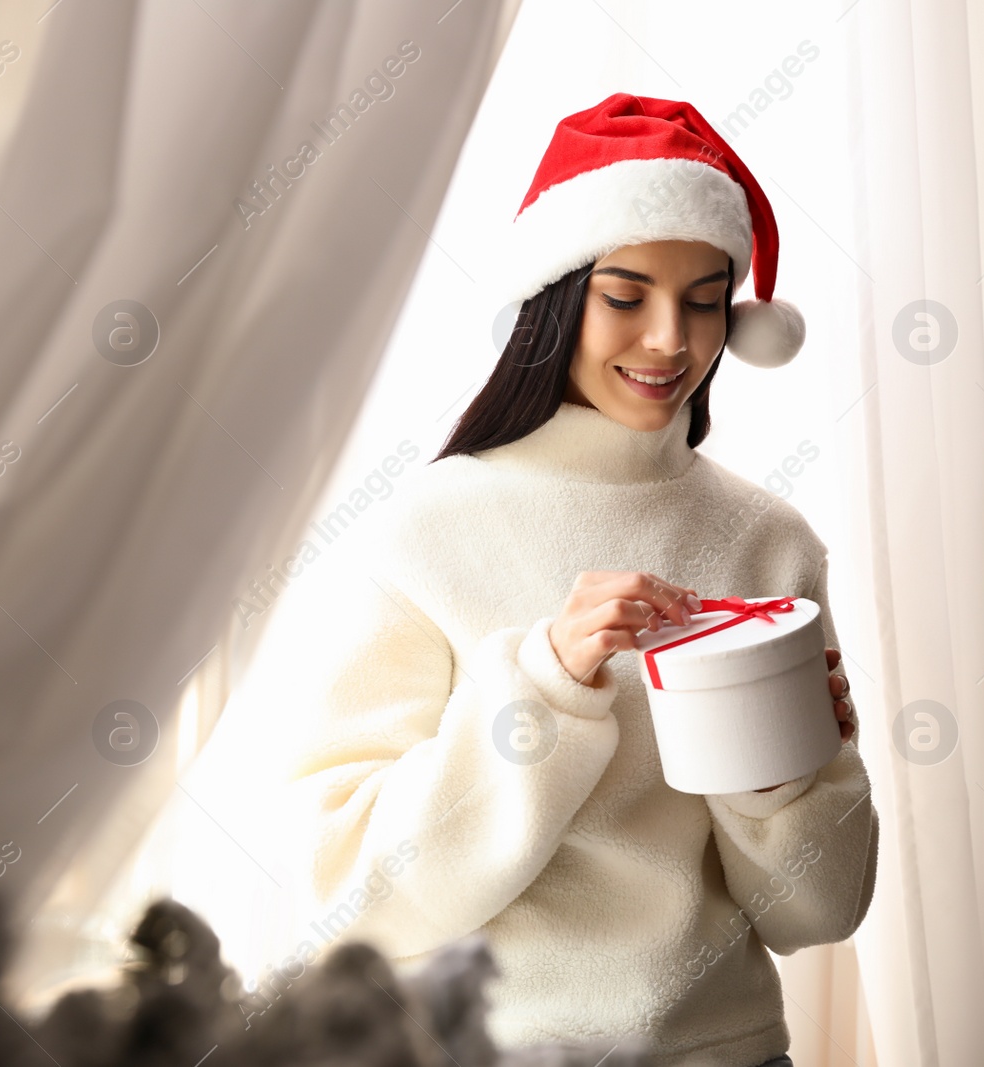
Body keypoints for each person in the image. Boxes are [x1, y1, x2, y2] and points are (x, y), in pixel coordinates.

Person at [285, 92, 878, 1067]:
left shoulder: (769, 541)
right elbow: (347, 893)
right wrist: (542, 686)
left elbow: (817, 912)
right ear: (559, 293)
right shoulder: (425, 530)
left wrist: (786, 777)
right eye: (626, 294)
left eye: (702, 300)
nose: (668, 342)